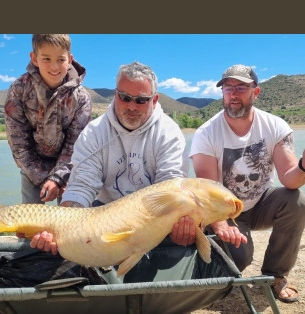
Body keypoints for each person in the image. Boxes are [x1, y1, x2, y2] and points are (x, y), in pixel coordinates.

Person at [188, 64, 305, 303]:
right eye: (228, 88)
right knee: (240, 258)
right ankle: (206, 261)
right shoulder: (206, 133)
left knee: (297, 201)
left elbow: (290, 179)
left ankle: (275, 276)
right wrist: (220, 225)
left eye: (241, 87)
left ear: (256, 92)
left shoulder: (275, 126)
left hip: (261, 202)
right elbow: (207, 190)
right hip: (224, 209)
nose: (233, 93)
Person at [29, 61, 195, 254]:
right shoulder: (93, 132)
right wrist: (60, 227)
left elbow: (170, 188)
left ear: (155, 100)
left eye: (141, 100)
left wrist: (177, 226)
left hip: (153, 215)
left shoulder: (169, 133)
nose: (132, 106)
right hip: (104, 213)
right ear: (116, 95)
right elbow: (82, 186)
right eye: (125, 97)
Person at [4, 34, 92, 205]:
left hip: (70, 167)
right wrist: (45, 179)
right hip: (31, 166)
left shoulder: (82, 98)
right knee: (30, 223)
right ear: (34, 58)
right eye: (46, 58)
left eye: (61, 59)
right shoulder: (18, 90)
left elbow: (75, 146)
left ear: (70, 59)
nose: (54, 66)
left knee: (71, 222)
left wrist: (59, 179)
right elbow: (19, 144)